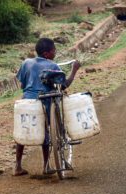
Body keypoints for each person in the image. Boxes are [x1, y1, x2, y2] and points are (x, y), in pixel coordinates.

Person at [15, 38, 81, 176]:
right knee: (45, 131)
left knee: (21, 132)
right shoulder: (53, 66)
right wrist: (74, 70)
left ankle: (18, 166)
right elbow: (64, 85)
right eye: (53, 50)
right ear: (46, 54)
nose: (55, 52)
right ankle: (46, 165)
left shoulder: (26, 62)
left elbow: (22, 85)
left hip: (26, 102)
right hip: (44, 102)